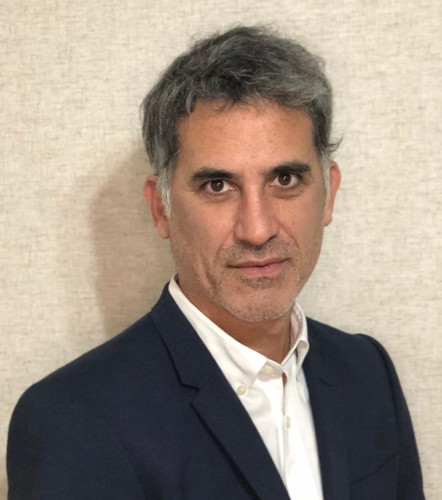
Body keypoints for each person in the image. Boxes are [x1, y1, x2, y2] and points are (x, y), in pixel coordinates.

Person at [7, 26, 424, 500]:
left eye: (285, 179)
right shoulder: (71, 420)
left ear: (328, 195)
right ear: (161, 208)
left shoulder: (368, 372)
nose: (257, 229)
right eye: (218, 186)